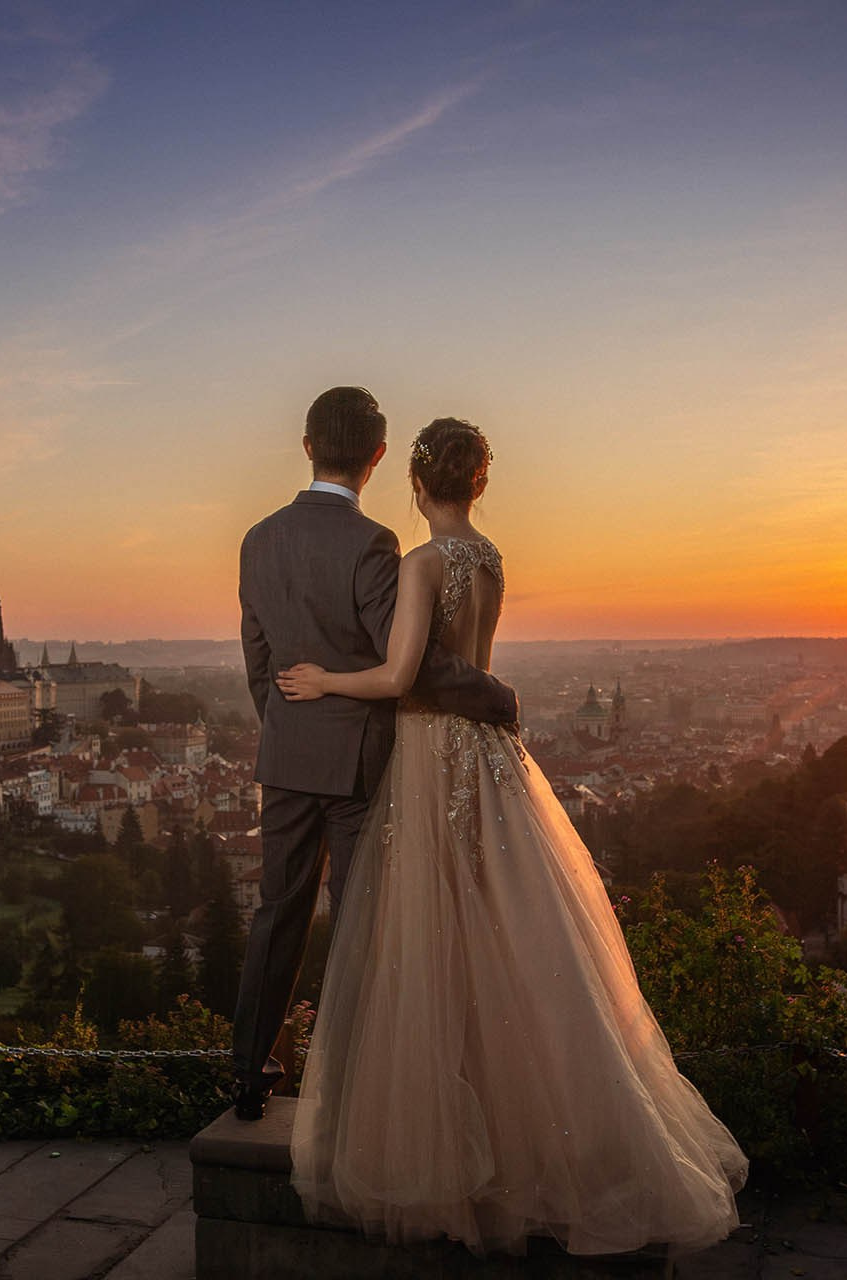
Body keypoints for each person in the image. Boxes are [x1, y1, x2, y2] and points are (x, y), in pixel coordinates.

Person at [275, 418, 747, 1257]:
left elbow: (399, 676)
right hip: (489, 756)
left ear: (417, 486)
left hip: (429, 755)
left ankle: (452, 1146)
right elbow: (475, 664)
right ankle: (546, 1134)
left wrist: (320, 681)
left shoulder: (421, 563)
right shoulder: (489, 560)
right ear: (477, 485)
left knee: (433, 937)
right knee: (510, 932)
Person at [231, 387, 518, 1123]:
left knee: (276, 912)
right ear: (378, 456)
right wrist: (495, 696)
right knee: (357, 917)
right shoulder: (373, 544)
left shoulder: (258, 539)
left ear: (305, 445)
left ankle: (247, 1069)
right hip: (362, 760)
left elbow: (259, 664)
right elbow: (413, 665)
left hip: (288, 753)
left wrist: (293, 728)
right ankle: (350, 1079)